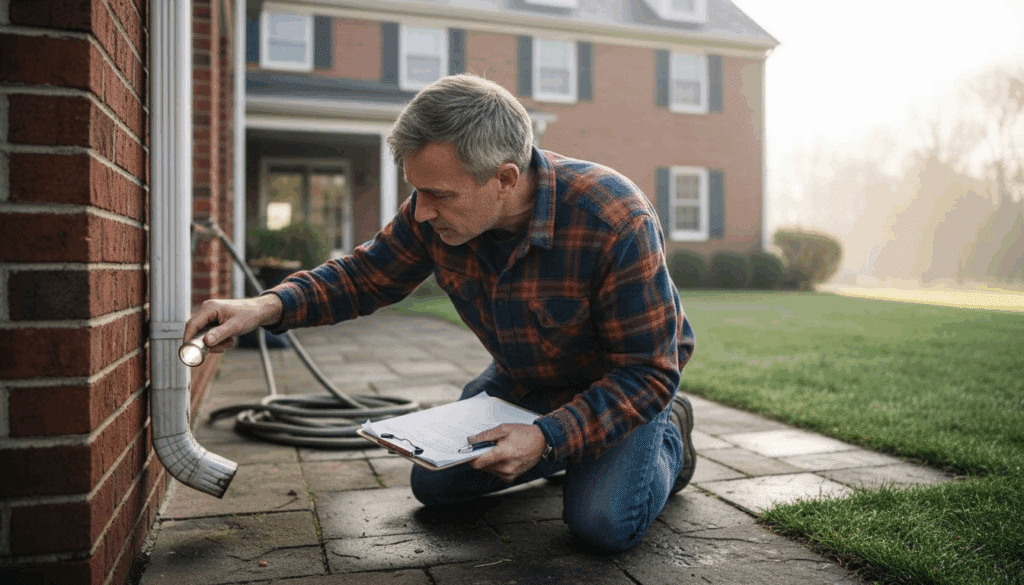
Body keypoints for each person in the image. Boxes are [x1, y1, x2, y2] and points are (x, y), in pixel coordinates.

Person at [184, 74, 696, 553]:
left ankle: (668, 436)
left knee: (602, 523)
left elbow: (648, 371)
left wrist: (546, 437)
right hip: (526, 377)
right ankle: (576, 450)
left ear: (504, 178)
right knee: (436, 485)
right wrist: (263, 306)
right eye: (416, 191)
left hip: (618, 385)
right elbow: (365, 276)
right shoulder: (433, 214)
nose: (421, 211)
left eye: (437, 195)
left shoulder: (612, 218)